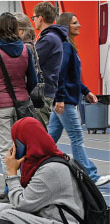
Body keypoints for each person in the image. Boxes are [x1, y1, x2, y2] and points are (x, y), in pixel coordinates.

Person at [0, 117, 89, 224]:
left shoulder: (51, 169)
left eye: (16, 142)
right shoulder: (40, 162)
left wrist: (12, 173)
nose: (14, 147)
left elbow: (21, 204)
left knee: (5, 217)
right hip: (47, 220)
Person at [48, 13, 110, 186]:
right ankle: (91, 175)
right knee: (77, 138)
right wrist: (60, 98)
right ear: (66, 26)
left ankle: (32, 164)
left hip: (65, 99)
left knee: (49, 139)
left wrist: (86, 91)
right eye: (75, 22)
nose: (79, 25)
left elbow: (72, 77)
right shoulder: (66, 47)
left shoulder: (69, 46)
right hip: (65, 101)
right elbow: (59, 74)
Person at [0, 12, 37, 202]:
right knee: (23, 148)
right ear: (15, 29)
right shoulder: (25, 50)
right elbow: (33, 80)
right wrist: (22, 92)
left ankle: (12, 191)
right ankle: (24, 187)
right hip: (22, 103)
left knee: (6, 149)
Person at [32, 2, 68, 128]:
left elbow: (33, 62)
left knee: (37, 132)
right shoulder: (52, 37)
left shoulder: (48, 39)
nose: (34, 21)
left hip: (42, 93)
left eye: (34, 18)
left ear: (40, 18)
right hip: (46, 91)